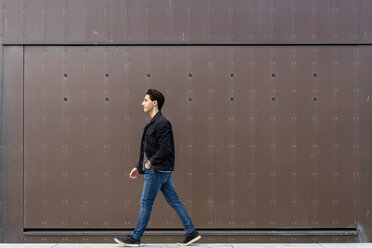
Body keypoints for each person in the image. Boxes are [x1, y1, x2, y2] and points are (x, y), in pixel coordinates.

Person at [115, 89, 201, 247]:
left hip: (156, 170)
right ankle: (191, 232)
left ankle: (135, 237)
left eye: (145, 100)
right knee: (174, 201)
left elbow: (165, 148)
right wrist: (138, 166)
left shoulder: (162, 123)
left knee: (145, 203)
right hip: (159, 169)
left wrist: (150, 163)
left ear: (155, 103)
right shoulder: (154, 123)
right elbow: (149, 149)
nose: (142, 103)